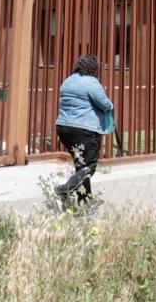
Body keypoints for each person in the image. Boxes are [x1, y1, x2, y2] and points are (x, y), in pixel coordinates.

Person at [53, 54, 114, 206]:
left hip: (64, 128)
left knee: (81, 166)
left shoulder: (68, 81)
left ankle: (85, 200)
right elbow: (104, 104)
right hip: (84, 130)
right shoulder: (92, 82)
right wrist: (110, 106)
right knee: (89, 167)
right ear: (94, 68)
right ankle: (64, 190)